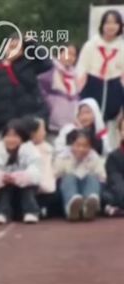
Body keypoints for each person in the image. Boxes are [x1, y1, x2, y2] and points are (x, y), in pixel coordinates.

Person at [77, 9, 124, 145]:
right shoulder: (91, 46)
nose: (111, 26)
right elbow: (81, 70)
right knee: (90, 133)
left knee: (112, 135)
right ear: (102, 25)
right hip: (93, 88)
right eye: (108, 22)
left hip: (115, 93)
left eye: (115, 23)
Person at [0, 119, 43, 224]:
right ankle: (2, 213)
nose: (11, 139)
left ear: (22, 137)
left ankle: (31, 211)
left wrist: (18, 178)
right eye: (8, 136)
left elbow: (36, 172)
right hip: (5, 189)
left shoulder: (30, 150)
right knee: (7, 187)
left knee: (26, 186)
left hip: (26, 189)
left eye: (15, 136)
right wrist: (2, 178)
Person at [53, 129, 105, 221]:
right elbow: (56, 175)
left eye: (85, 146)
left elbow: (102, 176)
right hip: (68, 190)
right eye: (78, 145)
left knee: (93, 177)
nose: (81, 149)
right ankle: (71, 207)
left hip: (87, 188)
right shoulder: (62, 157)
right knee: (69, 177)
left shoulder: (94, 157)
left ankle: (89, 205)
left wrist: (85, 168)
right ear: (71, 144)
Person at [103, 117, 124, 216]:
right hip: (121, 194)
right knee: (106, 196)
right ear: (120, 132)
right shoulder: (113, 157)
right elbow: (117, 184)